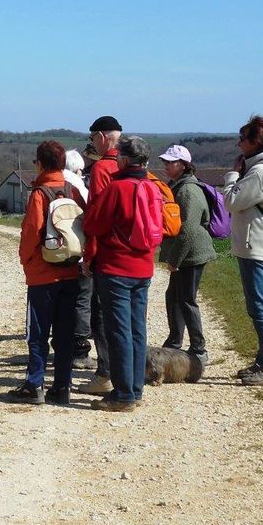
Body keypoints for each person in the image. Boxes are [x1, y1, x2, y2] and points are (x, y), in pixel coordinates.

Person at [82, 136, 161, 412]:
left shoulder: (117, 189)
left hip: (116, 267)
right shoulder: (152, 187)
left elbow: (94, 224)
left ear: (124, 160)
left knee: (119, 332)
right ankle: (135, 389)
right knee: (138, 329)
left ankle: (123, 395)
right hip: (144, 266)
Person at [7, 140, 83, 405]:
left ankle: (35, 383)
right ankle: (62, 386)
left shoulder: (39, 193)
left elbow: (31, 232)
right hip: (71, 269)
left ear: (40, 163)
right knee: (64, 334)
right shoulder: (72, 189)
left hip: (43, 273)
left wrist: (26, 260)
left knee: (37, 333)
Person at [222, 115, 263, 386]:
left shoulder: (259, 173)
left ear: (254, 142)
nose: (239, 144)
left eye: (243, 139)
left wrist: (231, 176)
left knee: (259, 306)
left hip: (256, 247)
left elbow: (230, 201)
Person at [77, 115, 123, 395]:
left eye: (93, 138)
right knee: (127, 316)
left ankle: (106, 372)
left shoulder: (103, 169)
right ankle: (128, 372)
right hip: (135, 252)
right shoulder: (135, 165)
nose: (92, 143)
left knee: (102, 315)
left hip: (108, 250)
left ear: (103, 137)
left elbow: (96, 217)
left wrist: (89, 256)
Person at [158, 145, 216, 362]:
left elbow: (188, 229)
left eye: (170, 162)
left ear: (182, 165)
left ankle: (199, 349)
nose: (165, 165)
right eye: (165, 161)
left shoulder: (188, 190)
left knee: (186, 300)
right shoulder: (179, 186)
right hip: (186, 253)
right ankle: (174, 342)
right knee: (174, 297)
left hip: (191, 254)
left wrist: (175, 260)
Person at [64, 148, 94, 370]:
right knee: (82, 298)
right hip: (78, 250)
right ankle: (80, 349)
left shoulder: (52, 185)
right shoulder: (78, 188)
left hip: (55, 252)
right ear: (79, 168)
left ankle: (62, 345)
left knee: (63, 299)